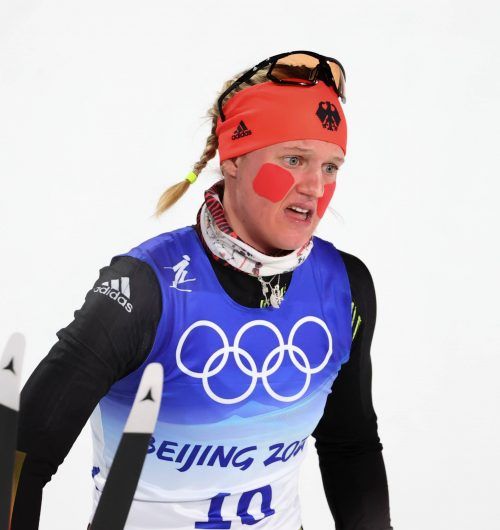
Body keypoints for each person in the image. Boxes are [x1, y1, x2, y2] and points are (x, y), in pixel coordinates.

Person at [11, 51, 393, 529]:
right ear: (233, 159)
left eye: (331, 167)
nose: (315, 187)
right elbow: (19, 461)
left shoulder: (344, 285)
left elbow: (350, 446)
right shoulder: (144, 289)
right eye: (294, 159)